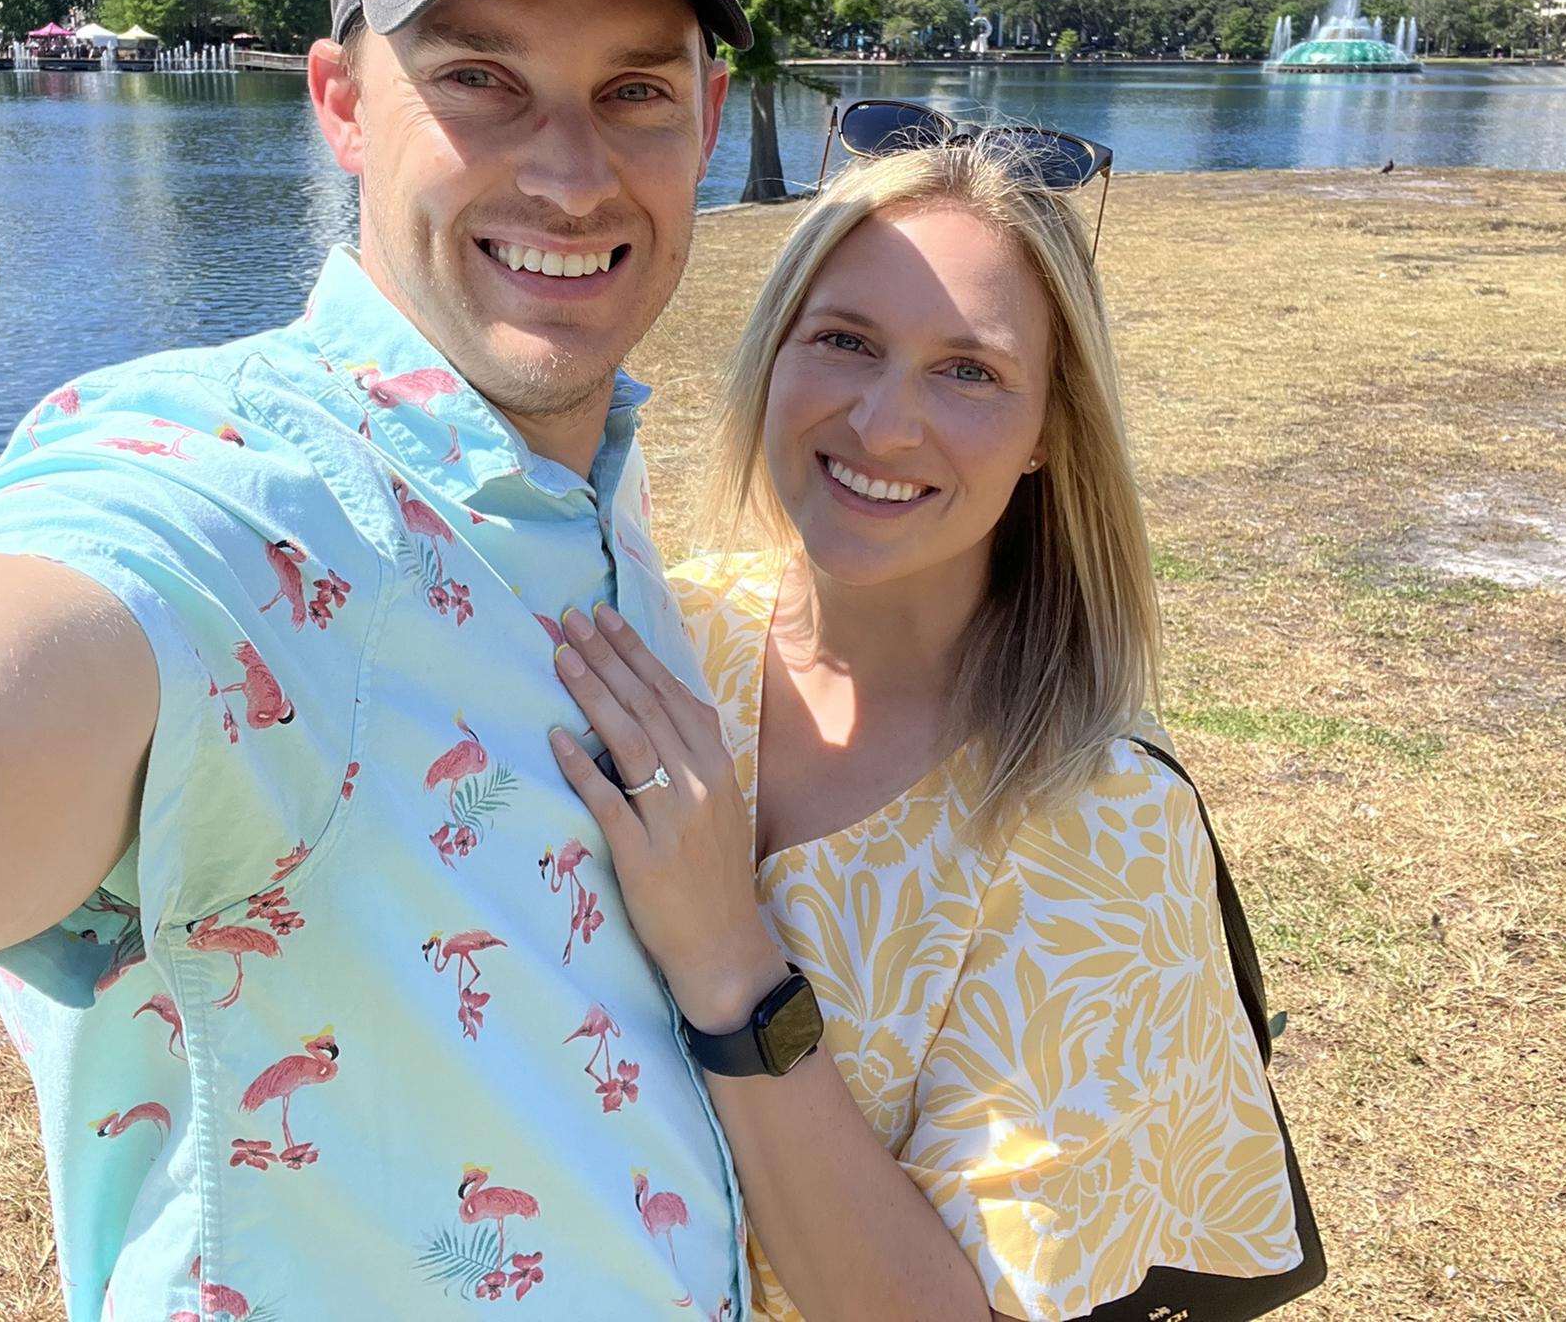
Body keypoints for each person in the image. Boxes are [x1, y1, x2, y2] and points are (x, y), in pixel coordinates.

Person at [0, 0, 762, 1318]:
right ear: (340, 104)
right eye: (478, 77)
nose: (574, 173)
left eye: (635, 90)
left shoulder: (586, 487)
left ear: (707, 120)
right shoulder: (268, 504)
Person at [545, 135, 1306, 1320]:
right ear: (774, 349)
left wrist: (731, 964)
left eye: (968, 370)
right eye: (845, 340)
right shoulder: (659, 631)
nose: (883, 421)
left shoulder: (1102, 824)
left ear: (1049, 428)